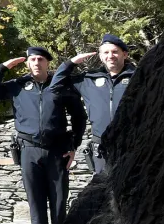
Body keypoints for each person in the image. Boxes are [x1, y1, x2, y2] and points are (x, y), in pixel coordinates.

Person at [0, 47, 86, 224]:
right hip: (28, 150)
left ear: (48, 63)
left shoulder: (61, 85)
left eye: (40, 59)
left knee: (58, 203)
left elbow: (79, 116)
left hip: (57, 150)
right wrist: (4, 67)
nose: (36, 62)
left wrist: (74, 145)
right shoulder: (18, 86)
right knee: (35, 202)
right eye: (32, 59)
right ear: (27, 63)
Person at [51, 34, 135, 175]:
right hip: (101, 147)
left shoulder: (138, 77)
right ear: (101, 56)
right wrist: (70, 63)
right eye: (106, 52)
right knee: (102, 191)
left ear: (125, 54)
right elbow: (55, 87)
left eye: (115, 52)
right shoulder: (88, 79)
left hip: (131, 145)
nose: (111, 56)